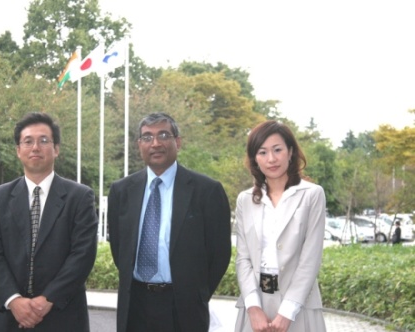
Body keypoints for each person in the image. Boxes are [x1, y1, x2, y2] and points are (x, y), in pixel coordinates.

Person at [107, 112, 232, 332]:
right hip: (135, 305)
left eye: (163, 135)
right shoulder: (121, 191)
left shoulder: (207, 191)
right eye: (147, 137)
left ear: (178, 141)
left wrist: (196, 295)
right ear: (139, 145)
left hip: (184, 308)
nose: (155, 143)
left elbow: (219, 253)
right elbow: (119, 248)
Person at [0, 112, 98, 331]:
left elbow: (82, 255)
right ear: (18, 150)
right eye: (28, 141)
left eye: (44, 140)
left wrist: (48, 299)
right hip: (9, 318)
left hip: (63, 317)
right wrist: (14, 300)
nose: (36, 147)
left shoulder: (79, 197)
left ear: (56, 149)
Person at [234, 120, 327, 332]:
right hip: (255, 306)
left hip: (298, 306)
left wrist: (287, 312)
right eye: (262, 152)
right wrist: (253, 307)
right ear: (254, 159)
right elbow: (243, 258)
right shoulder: (245, 199)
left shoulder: (311, 194)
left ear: (290, 151)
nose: (271, 159)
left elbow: (310, 258)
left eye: (277, 150)